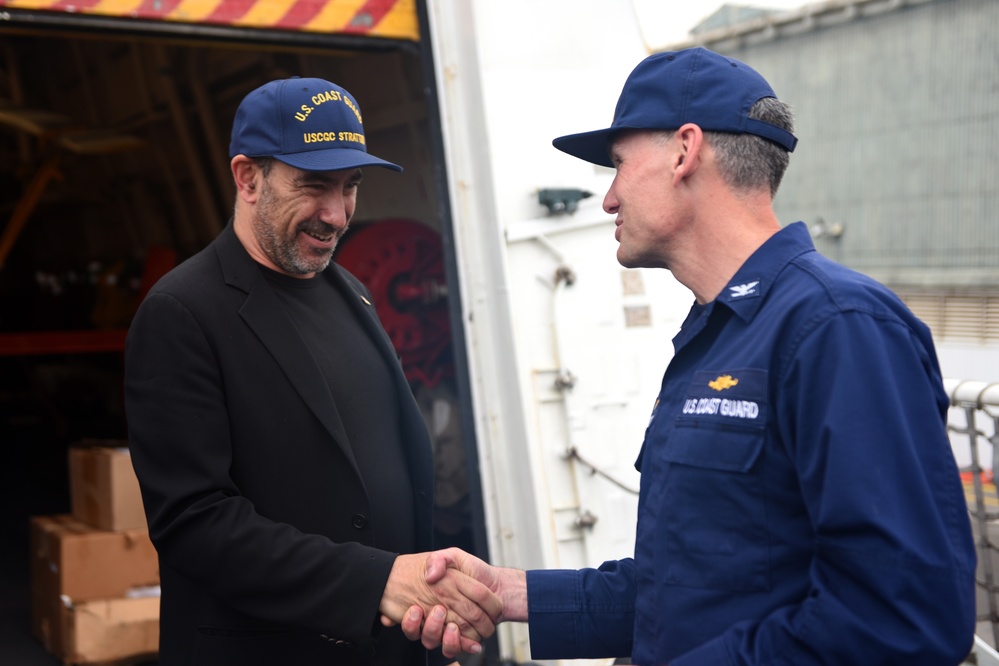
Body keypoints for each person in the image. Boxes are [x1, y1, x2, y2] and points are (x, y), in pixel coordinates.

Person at [404, 47, 978, 665]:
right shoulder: (719, 332)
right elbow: (690, 588)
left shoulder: (838, 329)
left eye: (618, 166)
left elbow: (899, 618)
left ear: (684, 150)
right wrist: (511, 592)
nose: (609, 199)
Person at [124, 77, 499, 666]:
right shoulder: (182, 312)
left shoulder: (350, 290)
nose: (338, 214)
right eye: (314, 186)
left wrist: (422, 594)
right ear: (248, 178)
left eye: (350, 187)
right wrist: (376, 582)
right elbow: (194, 523)